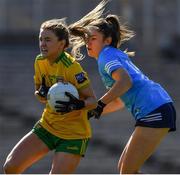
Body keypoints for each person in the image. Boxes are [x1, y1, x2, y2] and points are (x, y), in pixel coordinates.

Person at [67, 0, 177, 173]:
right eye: (86, 39)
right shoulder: (112, 54)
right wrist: (90, 111)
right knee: (125, 169)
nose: (88, 42)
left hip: (154, 109)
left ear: (107, 40)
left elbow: (125, 82)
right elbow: (119, 101)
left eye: (93, 39)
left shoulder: (106, 56)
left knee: (127, 171)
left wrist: (100, 104)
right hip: (158, 106)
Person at [3, 18, 97, 174]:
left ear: (61, 43)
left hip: (73, 134)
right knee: (11, 167)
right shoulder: (40, 61)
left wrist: (76, 105)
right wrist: (42, 94)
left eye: (47, 40)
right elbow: (39, 95)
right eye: (41, 39)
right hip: (48, 126)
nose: (42, 44)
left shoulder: (72, 68)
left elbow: (92, 101)